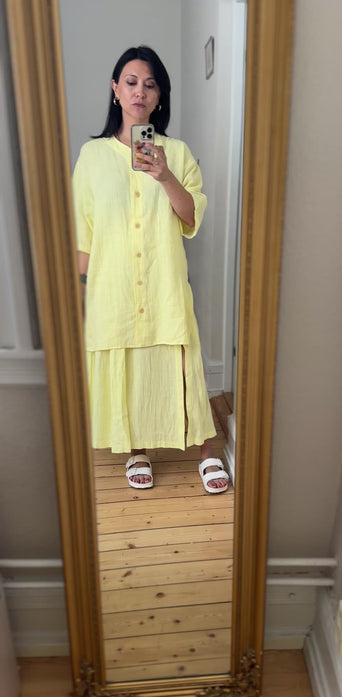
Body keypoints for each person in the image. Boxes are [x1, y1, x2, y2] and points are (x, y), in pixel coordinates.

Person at [72, 45, 229, 494]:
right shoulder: (92, 156)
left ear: (160, 97)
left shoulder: (176, 152)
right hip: (113, 289)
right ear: (115, 90)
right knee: (128, 368)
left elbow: (191, 218)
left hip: (164, 285)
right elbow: (82, 232)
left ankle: (207, 449)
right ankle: (135, 448)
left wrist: (164, 175)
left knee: (181, 362)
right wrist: (77, 299)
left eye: (151, 84)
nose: (140, 91)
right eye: (132, 82)